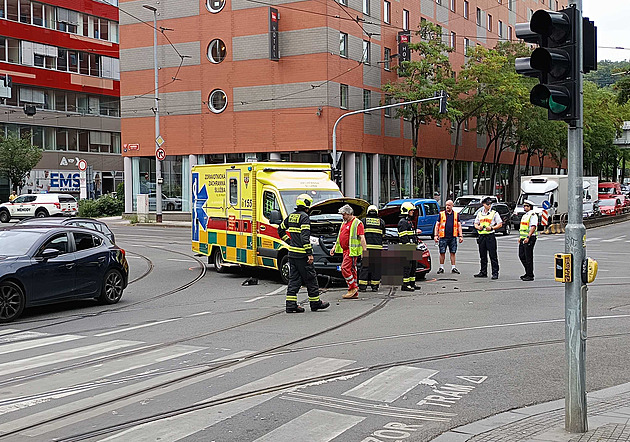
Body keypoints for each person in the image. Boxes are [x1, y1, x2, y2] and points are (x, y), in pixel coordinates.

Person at [278, 193, 330, 313]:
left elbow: (280, 229)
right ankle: (315, 303)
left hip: (292, 254)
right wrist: (309, 254)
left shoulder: (291, 216)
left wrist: (289, 242)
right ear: (307, 205)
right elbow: (305, 238)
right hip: (302, 255)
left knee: (294, 280)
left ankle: (291, 305)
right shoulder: (304, 217)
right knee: (311, 279)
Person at [330, 204, 367, 299]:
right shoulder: (344, 223)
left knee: (344, 268)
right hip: (346, 251)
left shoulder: (357, 223)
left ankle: (353, 287)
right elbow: (339, 236)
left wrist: (364, 251)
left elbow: (362, 238)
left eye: (343, 214)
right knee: (351, 270)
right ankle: (353, 291)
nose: (342, 216)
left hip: (352, 251)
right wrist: (334, 247)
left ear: (349, 214)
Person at [473, 197, 503, 279]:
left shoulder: (494, 213)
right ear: (483, 204)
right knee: (482, 255)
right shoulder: (480, 213)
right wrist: (478, 227)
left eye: (490, 204)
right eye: (487, 204)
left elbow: (500, 224)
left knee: (493, 255)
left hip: (490, 236)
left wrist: (492, 228)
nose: (489, 205)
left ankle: (495, 273)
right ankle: (483, 272)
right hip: (482, 236)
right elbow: (475, 223)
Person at [358, 204, 386, 292]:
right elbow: (383, 235)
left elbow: (360, 236)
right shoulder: (381, 222)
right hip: (377, 249)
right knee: (376, 267)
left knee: (365, 267)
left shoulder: (363, 221)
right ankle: (375, 286)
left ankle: (363, 286)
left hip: (366, 248)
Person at [433, 199, 463, 274]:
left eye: (449, 205)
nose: (447, 207)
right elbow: (437, 225)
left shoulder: (456, 214)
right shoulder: (441, 214)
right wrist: (436, 235)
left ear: (452, 206)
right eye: (446, 205)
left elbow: (459, 225)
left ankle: (453, 267)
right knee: (442, 252)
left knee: (453, 252)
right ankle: (441, 267)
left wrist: (460, 236)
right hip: (443, 236)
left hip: (453, 236)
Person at [398, 201, 419, 291]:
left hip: (412, 247)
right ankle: (405, 285)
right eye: (411, 210)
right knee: (407, 267)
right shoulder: (403, 222)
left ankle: (412, 283)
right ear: (406, 210)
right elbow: (403, 236)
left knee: (413, 266)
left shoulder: (409, 221)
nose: (413, 212)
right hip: (406, 248)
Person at [518, 199, 538, 281]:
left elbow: (533, 227)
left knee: (528, 256)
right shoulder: (525, 215)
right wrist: (521, 237)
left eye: (527, 206)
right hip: (524, 238)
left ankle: (530, 275)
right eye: (524, 206)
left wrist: (528, 237)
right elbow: (523, 228)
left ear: (530, 207)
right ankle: (527, 272)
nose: (525, 207)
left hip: (530, 238)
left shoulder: (533, 215)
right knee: (522, 255)